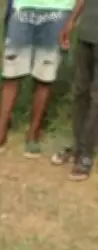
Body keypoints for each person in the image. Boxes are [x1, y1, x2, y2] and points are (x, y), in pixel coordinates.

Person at [0, 0, 73, 159]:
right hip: (22, 7)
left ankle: (33, 136)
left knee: (44, 77)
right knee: (10, 74)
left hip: (60, 9)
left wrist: (72, 19)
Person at [52, 0, 98, 179]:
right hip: (87, 33)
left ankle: (86, 153)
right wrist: (71, 21)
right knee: (80, 91)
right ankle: (78, 146)